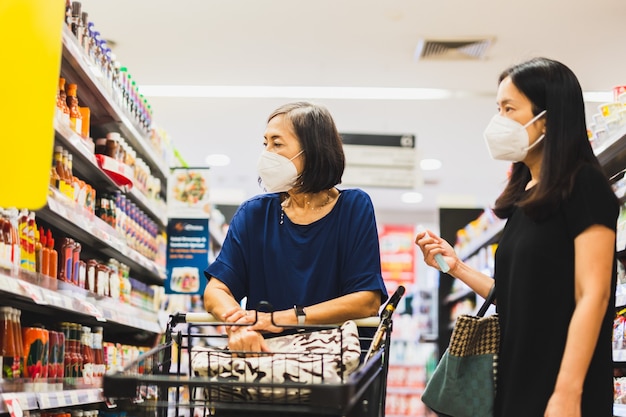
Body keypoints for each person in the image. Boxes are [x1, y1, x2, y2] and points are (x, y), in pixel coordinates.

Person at [415, 57, 619, 417]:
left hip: (560, 385)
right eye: (498, 108)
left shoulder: (583, 185)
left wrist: (568, 393)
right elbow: (514, 296)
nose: (499, 121)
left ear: (549, 117)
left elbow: (594, 294)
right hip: (515, 377)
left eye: (509, 108)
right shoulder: (526, 197)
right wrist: (457, 267)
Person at [203, 101, 388, 353]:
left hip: (337, 365)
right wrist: (238, 324)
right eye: (265, 143)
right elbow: (216, 290)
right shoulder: (254, 213)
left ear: (312, 151)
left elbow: (366, 301)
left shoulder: (353, 207)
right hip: (267, 364)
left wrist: (281, 318)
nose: (267, 153)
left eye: (277, 144)